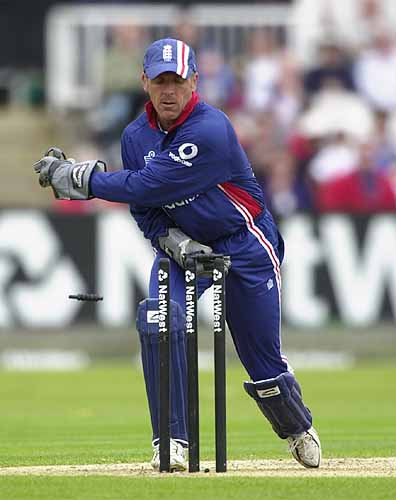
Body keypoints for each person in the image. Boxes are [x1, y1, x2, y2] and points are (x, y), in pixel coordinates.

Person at [33, 38, 322, 472]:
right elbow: (145, 209)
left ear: (194, 83)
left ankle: (297, 426)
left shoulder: (211, 129)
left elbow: (150, 186)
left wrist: (86, 179)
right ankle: (172, 439)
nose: (169, 91)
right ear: (144, 81)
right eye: (161, 81)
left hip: (243, 242)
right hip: (184, 247)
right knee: (157, 317)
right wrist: (170, 241)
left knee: (262, 362)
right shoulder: (135, 136)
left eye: (178, 81)